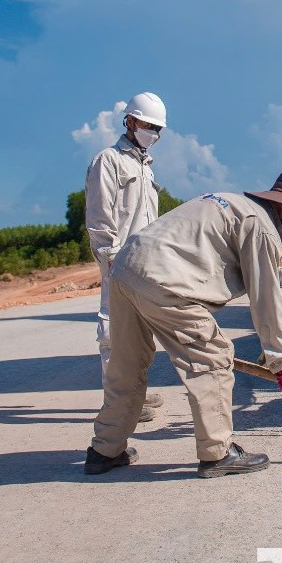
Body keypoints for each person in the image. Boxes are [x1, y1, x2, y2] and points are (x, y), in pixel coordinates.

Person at [83, 171, 282, 478]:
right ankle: (217, 453)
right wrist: (281, 360)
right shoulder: (262, 227)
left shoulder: (231, 203)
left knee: (127, 364)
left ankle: (105, 450)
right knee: (213, 359)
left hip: (125, 268)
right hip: (166, 281)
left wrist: (272, 356)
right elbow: (266, 299)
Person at [84, 91, 167, 423]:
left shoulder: (145, 166)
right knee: (114, 330)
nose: (154, 133)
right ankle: (117, 400)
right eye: (148, 126)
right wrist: (111, 257)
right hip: (118, 260)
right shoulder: (109, 161)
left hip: (144, 262)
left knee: (140, 331)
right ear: (130, 121)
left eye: (158, 129)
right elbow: (99, 216)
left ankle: (136, 391)